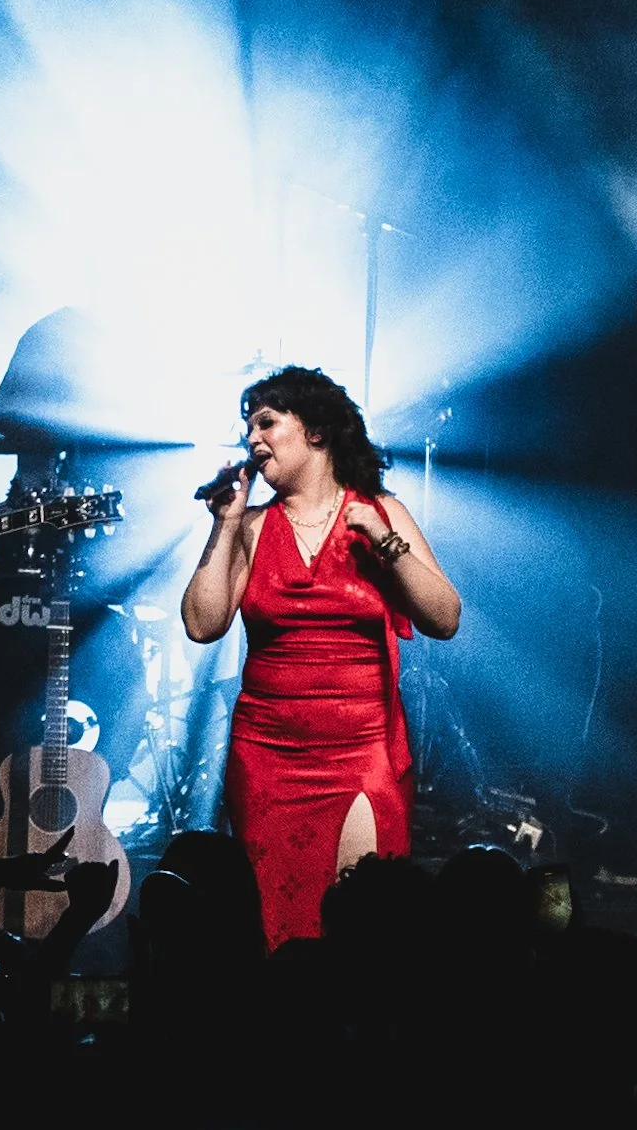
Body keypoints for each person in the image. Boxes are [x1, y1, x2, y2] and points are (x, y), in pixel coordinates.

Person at [180, 364, 460, 948]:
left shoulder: (380, 510)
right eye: (247, 429)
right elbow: (202, 625)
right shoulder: (254, 526)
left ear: (317, 432)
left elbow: (445, 617)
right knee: (273, 934)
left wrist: (384, 540)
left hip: (362, 753)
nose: (252, 440)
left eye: (266, 423)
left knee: (366, 931)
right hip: (268, 759)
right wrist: (226, 525)